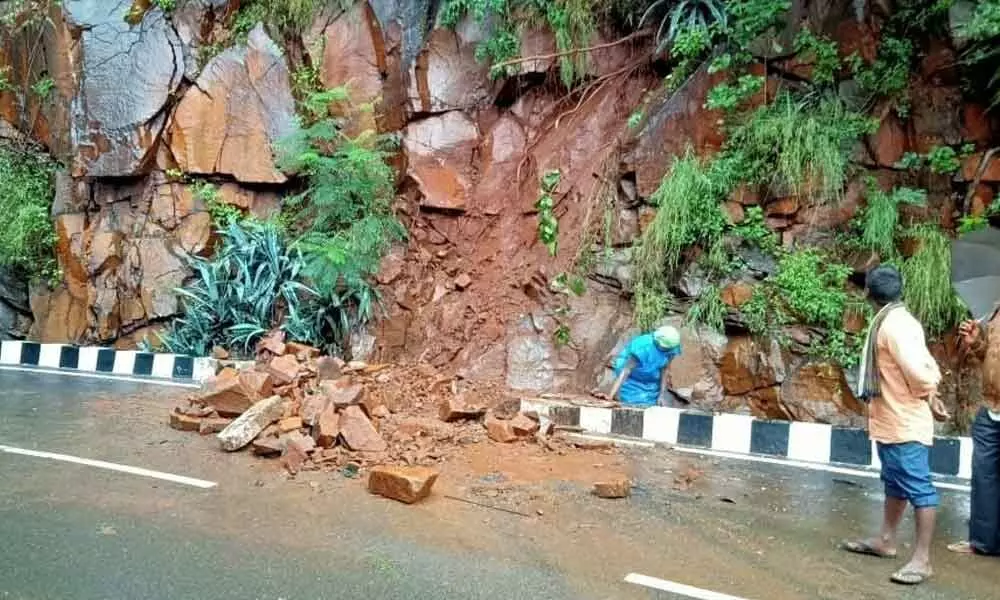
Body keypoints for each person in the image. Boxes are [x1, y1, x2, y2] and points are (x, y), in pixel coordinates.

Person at [842, 265, 943, 585]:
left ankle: (923, 560)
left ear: (869, 294)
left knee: (918, 487)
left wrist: (930, 390)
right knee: (896, 482)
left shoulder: (894, 326)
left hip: (904, 421)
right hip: (891, 418)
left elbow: (920, 371)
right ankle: (886, 540)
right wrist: (930, 391)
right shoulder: (894, 319)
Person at [947, 308, 1000, 557]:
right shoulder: (996, 311)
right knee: (984, 476)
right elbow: (988, 356)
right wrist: (976, 343)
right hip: (991, 406)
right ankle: (983, 542)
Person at [605, 325, 682, 408]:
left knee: (652, 404)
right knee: (631, 404)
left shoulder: (672, 348)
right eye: (665, 349)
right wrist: (611, 396)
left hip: (650, 377)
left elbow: (665, 369)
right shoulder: (642, 347)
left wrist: (662, 394)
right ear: (657, 341)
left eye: (669, 349)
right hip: (631, 378)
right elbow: (626, 371)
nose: (668, 351)